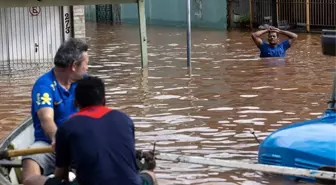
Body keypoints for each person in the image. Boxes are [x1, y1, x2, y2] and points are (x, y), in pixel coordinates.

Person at [24, 76, 158, 185]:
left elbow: (61, 175)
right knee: (150, 175)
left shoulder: (67, 127)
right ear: (104, 100)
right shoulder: (125, 120)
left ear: (76, 103)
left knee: (32, 180)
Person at [22, 38, 89, 185]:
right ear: (74, 66)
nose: (87, 68)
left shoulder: (85, 83)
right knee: (29, 161)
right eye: (86, 64)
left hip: (80, 143)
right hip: (49, 144)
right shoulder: (44, 85)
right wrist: (57, 139)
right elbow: (47, 119)